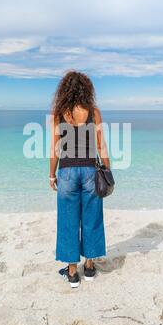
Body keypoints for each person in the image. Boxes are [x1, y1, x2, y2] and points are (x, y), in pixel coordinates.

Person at [50, 71, 110, 288]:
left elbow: (55, 148)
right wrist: (107, 170)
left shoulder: (59, 113)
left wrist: (51, 174)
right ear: (87, 89)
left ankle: (73, 272)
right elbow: (101, 145)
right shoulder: (94, 112)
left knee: (68, 220)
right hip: (90, 172)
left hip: (66, 172)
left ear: (64, 90)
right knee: (92, 217)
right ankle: (91, 267)